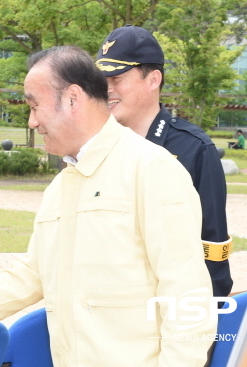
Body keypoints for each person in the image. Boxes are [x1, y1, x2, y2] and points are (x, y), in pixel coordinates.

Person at [0, 46, 216, 366]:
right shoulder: (61, 186)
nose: (31, 122)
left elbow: (187, 296)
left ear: (72, 98)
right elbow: (31, 276)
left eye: (34, 106)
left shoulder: (150, 169)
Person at [95, 25, 233, 299]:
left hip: (169, 309)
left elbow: (212, 246)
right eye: (102, 79)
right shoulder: (96, 145)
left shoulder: (194, 148)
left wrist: (201, 323)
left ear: (153, 79)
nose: (107, 89)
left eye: (117, 78)